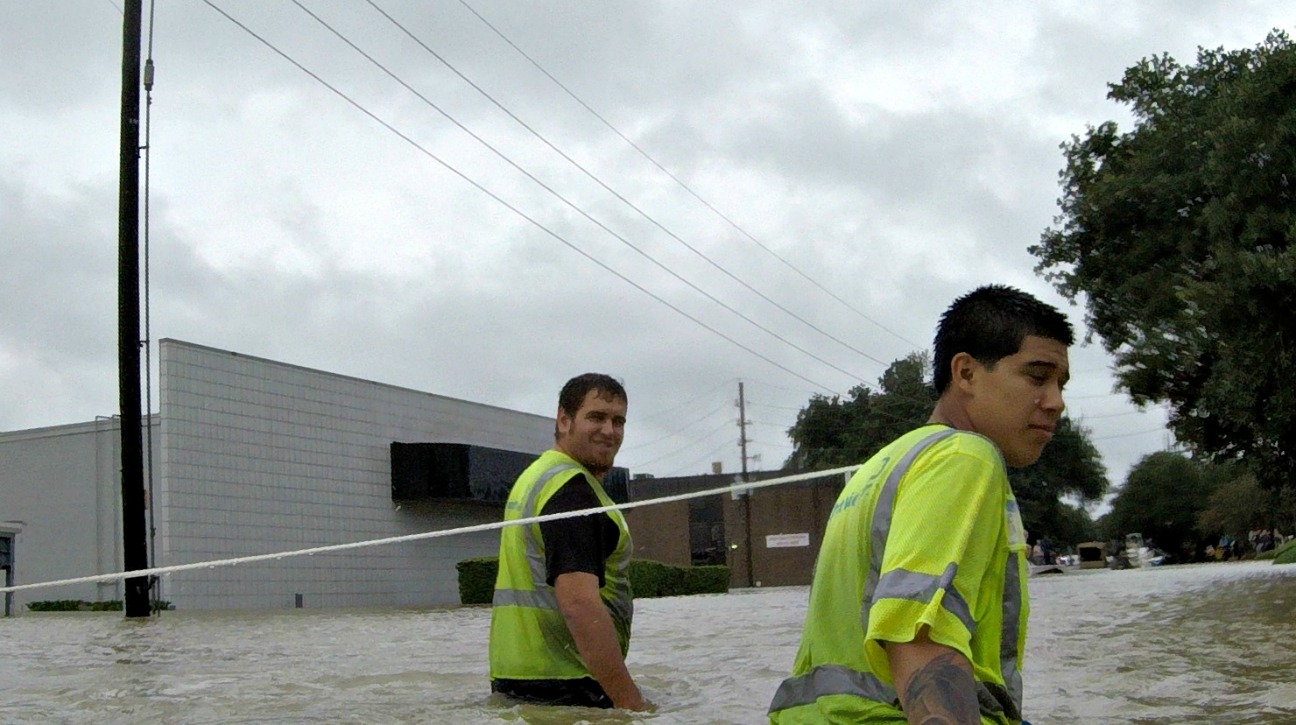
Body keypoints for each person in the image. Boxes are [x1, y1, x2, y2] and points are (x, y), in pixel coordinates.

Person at [768, 285, 1073, 725]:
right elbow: (919, 637)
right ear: (965, 373)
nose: (1056, 402)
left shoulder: (883, 466)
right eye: (1037, 377)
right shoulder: (965, 457)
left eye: (1061, 384)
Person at [488, 373, 647, 711]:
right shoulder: (572, 491)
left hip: (516, 681)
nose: (609, 431)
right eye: (596, 417)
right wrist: (631, 705)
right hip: (569, 685)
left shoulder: (537, 476)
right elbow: (579, 605)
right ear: (564, 420)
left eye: (618, 421)